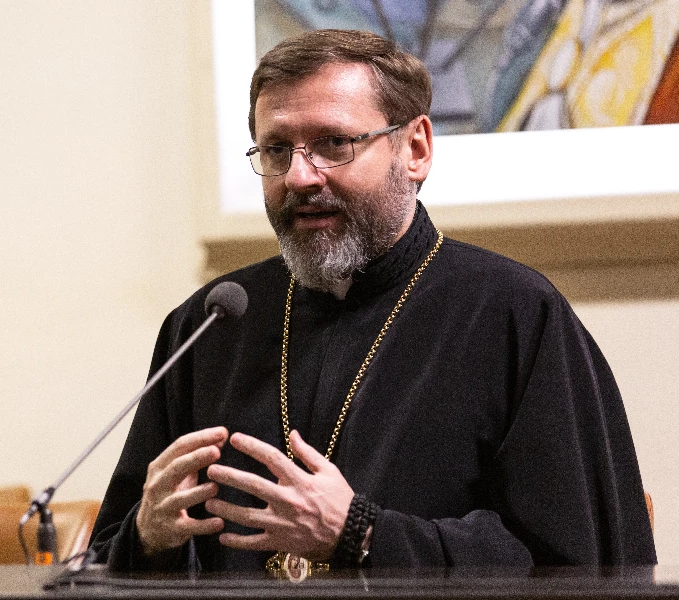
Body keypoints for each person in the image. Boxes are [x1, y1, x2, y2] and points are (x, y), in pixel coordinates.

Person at [88, 29, 656, 574]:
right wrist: (147, 541)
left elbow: (584, 563)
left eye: (334, 144)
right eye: (277, 150)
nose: (300, 176)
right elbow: (102, 562)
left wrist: (363, 534)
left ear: (415, 149)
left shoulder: (515, 314)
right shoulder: (211, 323)